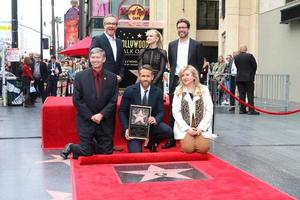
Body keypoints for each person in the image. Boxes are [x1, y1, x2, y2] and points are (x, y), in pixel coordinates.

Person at [60, 48, 118, 159]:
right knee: (86, 152)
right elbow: (77, 100)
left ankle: (87, 147)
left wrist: (101, 114)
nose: (95, 60)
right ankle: (72, 147)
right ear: (89, 59)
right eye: (93, 57)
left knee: (107, 152)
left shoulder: (112, 78)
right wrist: (91, 116)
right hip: (86, 120)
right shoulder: (80, 76)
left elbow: (113, 100)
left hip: (104, 120)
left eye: (98, 57)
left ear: (104, 59)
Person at [165, 18, 205, 149]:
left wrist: (193, 79)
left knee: (191, 109)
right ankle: (171, 138)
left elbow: (198, 65)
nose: (181, 30)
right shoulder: (171, 45)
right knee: (174, 109)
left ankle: (192, 137)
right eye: (179, 27)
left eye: (183, 27)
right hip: (176, 79)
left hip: (191, 81)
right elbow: (171, 63)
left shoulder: (197, 45)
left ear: (188, 29)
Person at [119, 65, 172, 153]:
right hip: (134, 128)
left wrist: (155, 119)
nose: (145, 79)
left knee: (168, 131)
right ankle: (138, 142)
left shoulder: (158, 91)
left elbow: (161, 111)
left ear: (152, 77)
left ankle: (152, 142)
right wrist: (126, 129)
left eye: (148, 76)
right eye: (143, 76)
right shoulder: (129, 90)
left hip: (150, 125)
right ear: (139, 76)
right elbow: (122, 111)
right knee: (135, 153)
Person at [172, 65, 213, 153]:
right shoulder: (178, 90)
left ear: (194, 76)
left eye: (187, 75)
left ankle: (198, 139)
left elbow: (209, 110)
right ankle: (190, 140)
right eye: (182, 75)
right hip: (186, 127)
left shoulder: (204, 89)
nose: (184, 77)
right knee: (188, 149)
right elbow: (175, 112)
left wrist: (201, 128)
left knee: (203, 149)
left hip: (201, 127)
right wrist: (187, 129)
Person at [90, 14, 124, 83]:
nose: (111, 26)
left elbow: (121, 62)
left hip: (115, 81)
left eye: (113, 24)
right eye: (108, 23)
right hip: (101, 81)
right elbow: (93, 61)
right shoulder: (97, 40)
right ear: (104, 25)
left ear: (116, 26)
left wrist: (120, 76)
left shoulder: (119, 42)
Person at [234, 45, 259, 115]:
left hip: (239, 78)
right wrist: (252, 74)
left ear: (240, 49)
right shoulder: (250, 56)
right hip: (248, 78)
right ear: (246, 49)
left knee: (241, 94)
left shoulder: (236, 57)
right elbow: (255, 65)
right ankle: (251, 110)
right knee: (250, 94)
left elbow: (237, 66)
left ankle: (242, 109)